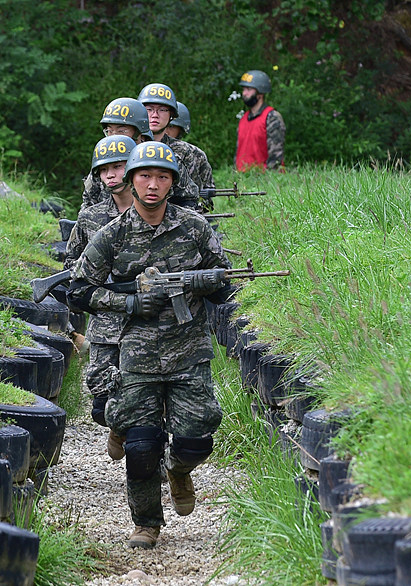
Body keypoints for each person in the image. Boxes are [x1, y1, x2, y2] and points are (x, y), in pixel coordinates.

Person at [67, 141, 234, 549]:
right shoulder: (111, 234)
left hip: (189, 351)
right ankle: (146, 523)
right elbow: (78, 290)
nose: (153, 184)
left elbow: (223, 281)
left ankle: (178, 469)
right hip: (136, 354)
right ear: (131, 180)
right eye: (145, 176)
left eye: (162, 177)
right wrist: (130, 303)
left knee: (197, 438)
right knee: (141, 448)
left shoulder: (194, 227)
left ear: (173, 182)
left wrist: (210, 284)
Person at [65, 135, 138, 461]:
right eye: (104, 169)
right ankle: (118, 426)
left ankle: (156, 456)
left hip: (150, 314)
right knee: (100, 401)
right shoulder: (90, 218)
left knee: (150, 389)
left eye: (118, 167)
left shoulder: (155, 210)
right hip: (107, 314)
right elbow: (71, 267)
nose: (110, 175)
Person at [81, 97, 200, 212]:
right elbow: (88, 205)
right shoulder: (104, 162)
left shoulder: (162, 158)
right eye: (109, 131)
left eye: (122, 131)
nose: (114, 136)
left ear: (139, 131)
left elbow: (188, 200)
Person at [137, 83, 208, 206]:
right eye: (149, 109)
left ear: (171, 115)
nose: (155, 115)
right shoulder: (128, 147)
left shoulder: (185, 152)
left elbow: (192, 197)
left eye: (162, 110)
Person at [234, 69, 286, 172]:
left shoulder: (272, 117)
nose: (244, 93)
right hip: (243, 179)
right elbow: (238, 154)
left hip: (264, 180)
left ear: (260, 93)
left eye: (248, 89)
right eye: (244, 89)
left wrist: (269, 180)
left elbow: (276, 157)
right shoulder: (244, 119)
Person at [163, 100, 215, 194]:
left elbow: (208, 190)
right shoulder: (139, 150)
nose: (165, 130)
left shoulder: (195, 154)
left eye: (170, 126)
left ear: (181, 129)